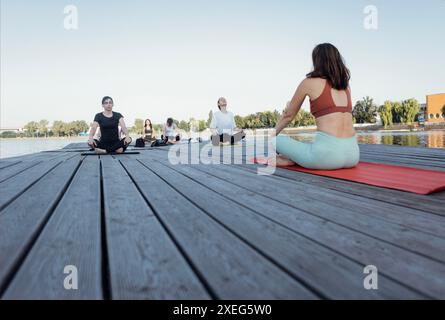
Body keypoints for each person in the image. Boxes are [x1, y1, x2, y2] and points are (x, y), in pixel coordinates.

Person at [268, 43, 360, 169]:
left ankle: (291, 159)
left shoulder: (309, 82)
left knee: (277, 140)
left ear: (317, 61)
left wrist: (270, 138)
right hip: (353, 156)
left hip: (326, 158)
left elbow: (288, 116)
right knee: (311, 145)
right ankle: (295, 157)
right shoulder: (346, 86)